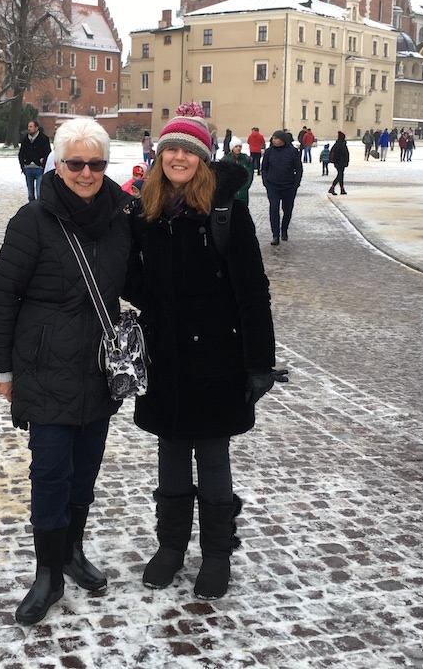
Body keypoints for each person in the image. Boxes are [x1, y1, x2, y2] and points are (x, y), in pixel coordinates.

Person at [125, 109, 282, 601]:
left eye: (189, 151)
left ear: (202, 159)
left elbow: (253, 291)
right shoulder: (145, 211)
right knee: (170, 452)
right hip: (165, 356)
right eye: (171, 149)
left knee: (212, 456)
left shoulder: (225, 211)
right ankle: (171, 546)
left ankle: (216, 553)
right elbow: (133, 282)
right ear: (159, 156)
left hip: (216, 358)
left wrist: (259, 363)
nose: (178, 157)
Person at [0, 118, 133, 625]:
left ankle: (71, 551)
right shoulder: (32, 220)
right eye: (76, 163)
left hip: (98, 369)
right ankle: (47, 573)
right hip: (45, 368)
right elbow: (3, 297)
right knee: (51, 474)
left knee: (85, 474)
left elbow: (146, 280)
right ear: (58, 164)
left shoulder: (120, 218)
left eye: (96, 163)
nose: (87, 172)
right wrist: (1, 369)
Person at [260, 130, 302, 245]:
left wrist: (296, 184)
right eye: (272, 138)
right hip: (272, 185)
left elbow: (298, 169)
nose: (273, 140)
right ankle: (275, 235)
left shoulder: (293, 152)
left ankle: (284, 230)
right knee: (274, 209)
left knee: (287, 210)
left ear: (282, 140)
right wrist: (266, 181)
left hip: (289, 186)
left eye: (276, 138)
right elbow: (264, 168)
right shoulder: (269, 152)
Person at [19, 120, 52, 203]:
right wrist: (23, 166)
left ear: (36, 128)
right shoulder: (25, 139)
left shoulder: (44, 139)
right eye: (28, 127)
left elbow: (48, 152)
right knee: (30, 195)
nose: (29, 129)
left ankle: (39, 211)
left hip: (39, 169)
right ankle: (31, 211)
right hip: (28, 168)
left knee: (39, 193)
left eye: (31, 127)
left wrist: (43, 162)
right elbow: (21, 153)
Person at [227, 137, 253, 204]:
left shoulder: (246, 160)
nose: (238, 148)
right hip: (230, 191)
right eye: (236, 146)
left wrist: (246, 185)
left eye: (240, 146)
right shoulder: (226, 160)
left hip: (243, 191)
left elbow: (250, 173)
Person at [327, 131, 350, 195]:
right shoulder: (342, 145)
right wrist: (346, 161)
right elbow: (346, 154)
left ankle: (341, 189)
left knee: (340, 175)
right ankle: (332, 188)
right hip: (341, 163)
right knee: (340, 175)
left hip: (337, 163)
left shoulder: (336, 144)